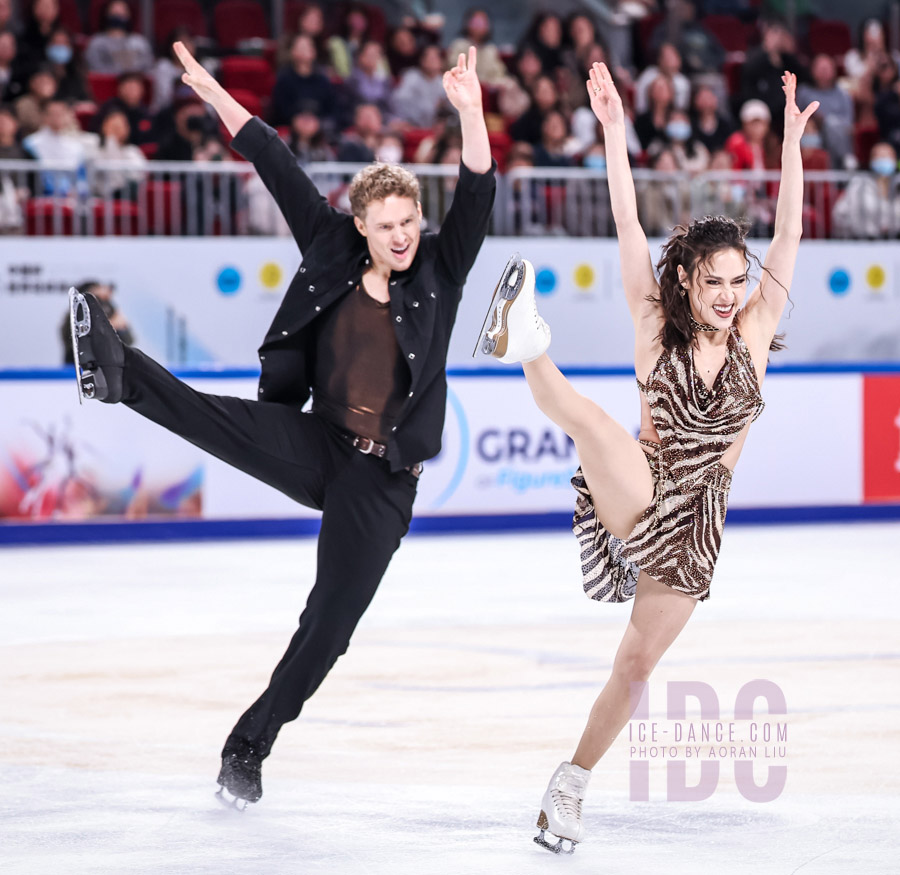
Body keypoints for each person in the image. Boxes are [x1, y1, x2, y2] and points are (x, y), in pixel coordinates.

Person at [68, 41, 495, 808]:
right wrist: (214, 96)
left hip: (381, 479)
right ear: (361, 223)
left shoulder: (440, 268)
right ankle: (117, 371)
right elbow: (274, 160)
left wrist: (470, 113)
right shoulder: (331, 243)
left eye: (409, 221)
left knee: (328, 625)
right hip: (317, 439)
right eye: (386, 224)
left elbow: (478, 191)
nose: (401, 235)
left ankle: (249, 744)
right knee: (219, 420)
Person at [475, 61, 816, 853]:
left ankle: (569, 785)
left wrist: (792, 145)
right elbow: (628, 224)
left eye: (737, 280)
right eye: (714, 280)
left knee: (633, 668)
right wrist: (613, 129)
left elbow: (789, 234)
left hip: (700, 524)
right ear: (688, 279)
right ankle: (526, 342)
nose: (728, 293)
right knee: (594, 423)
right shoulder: (654, 324)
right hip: (645, 485)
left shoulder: (756, 331)